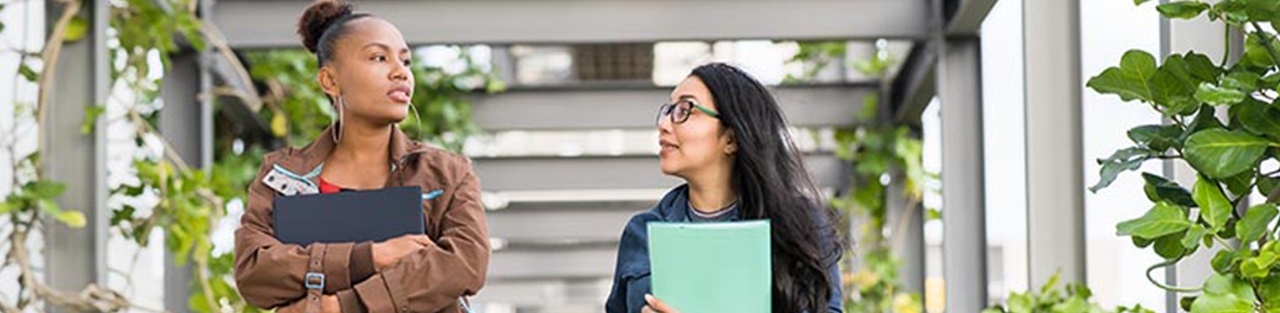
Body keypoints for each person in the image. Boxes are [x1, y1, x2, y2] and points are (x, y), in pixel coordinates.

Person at [233, 1, 489, 312]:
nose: (400, 73)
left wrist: (340, 306)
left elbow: (465, 264)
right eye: (379, 57)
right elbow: (255, 273)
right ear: (330, 80)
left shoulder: (448, 173)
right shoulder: (282, 175)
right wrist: (369, 257)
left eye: (405, 61)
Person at [605, 63, 845, 313]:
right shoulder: (641, 233)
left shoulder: (801, 225)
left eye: (685, 110)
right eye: (668, 110)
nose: (664, 123)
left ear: (731, 138)